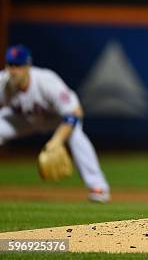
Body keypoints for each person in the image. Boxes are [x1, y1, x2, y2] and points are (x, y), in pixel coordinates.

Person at [0, 45, 111, 203]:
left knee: (76, 135)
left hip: (57, 120)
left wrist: (56, 141)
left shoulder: (46, 81)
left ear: (27, 66)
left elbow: (75, 112)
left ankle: (98, 187)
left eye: (17, 65)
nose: (13, 70)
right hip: (23, 119)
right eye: (10, 65)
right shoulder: (3, 83)